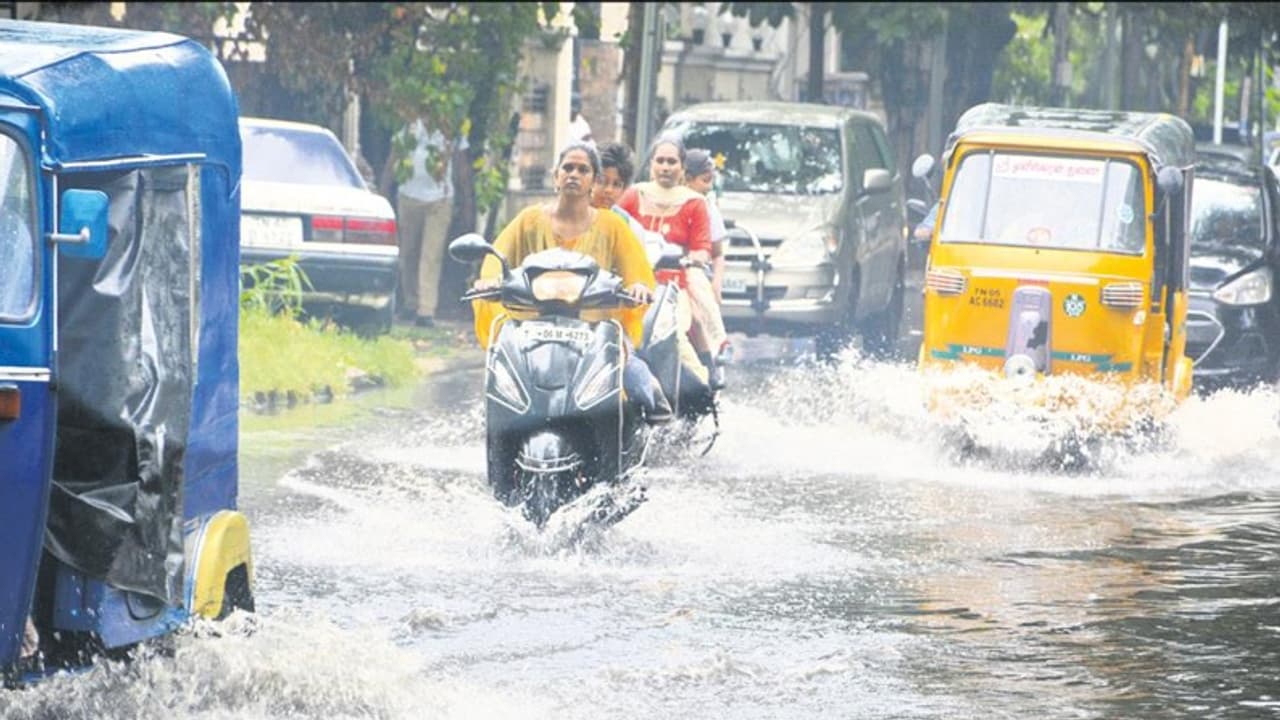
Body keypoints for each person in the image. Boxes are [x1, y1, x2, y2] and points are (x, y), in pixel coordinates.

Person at [471, 142, 672, 421]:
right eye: (567, 168)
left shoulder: (613, 226)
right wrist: (490, 280)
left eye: (582, 169)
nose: (573, 174)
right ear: (556, 176)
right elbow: (498, 256)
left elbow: (637, 272)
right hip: (532, 326)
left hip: (598, 328)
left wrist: (637, 287)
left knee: (636, 384)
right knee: (504, 383)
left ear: (593, 181)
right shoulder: (528, 220)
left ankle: (645, 422)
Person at [593, 142, 708, 386]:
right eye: (602, 181)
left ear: (682, 167)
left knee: (665, 338)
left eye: (617, 185)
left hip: (628, 306)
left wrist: (638, 285)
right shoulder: (548, 217)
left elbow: (638, 268)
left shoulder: (625, 224)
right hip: (566, 310)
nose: (608, 190)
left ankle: (697, 383)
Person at [618, 135, 728, 388]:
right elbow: (615, 227)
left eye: (671, 161)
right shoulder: (634, 195)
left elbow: (703, 247)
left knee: (675, 330)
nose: (665, 167)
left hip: (674, 285)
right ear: (651, 165)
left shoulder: (695, 202)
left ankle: (701, 378)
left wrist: (691, 260)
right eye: (660, 161)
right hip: (631, 283)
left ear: (682, 168)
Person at [396, 119, 466, 328]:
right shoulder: (408, 127)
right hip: (408, 196)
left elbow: (462, 166)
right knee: (408, 252)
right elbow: (394, 158)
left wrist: (467, 201)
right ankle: (411, 302)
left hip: (440, 199)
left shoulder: (450, 131)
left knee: (431, 255)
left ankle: (426, 310)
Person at [683, 148, 728, 303]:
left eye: (711, 181)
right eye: (705, 180)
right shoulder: (668, 204)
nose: (709, 187)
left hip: (698, 279)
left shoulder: (709, 207)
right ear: (687, 179)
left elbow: (717, 253)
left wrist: (716, 284)